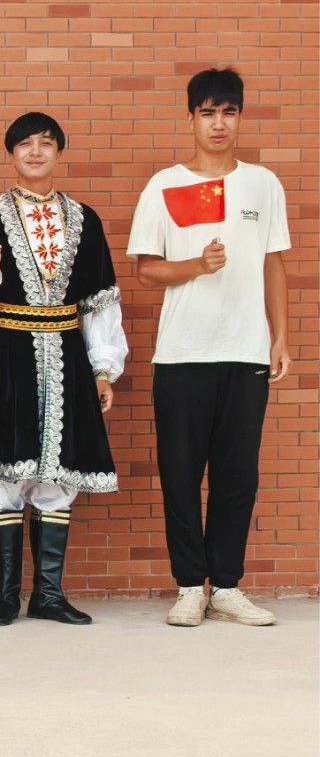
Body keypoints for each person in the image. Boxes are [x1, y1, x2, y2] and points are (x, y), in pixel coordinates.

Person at [0, 112, 128, 626]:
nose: (34, 151)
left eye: (45, 143)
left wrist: (103, 369)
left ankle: (48, 595)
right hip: (6, 353)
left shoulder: (85, 219)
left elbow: (98, 301)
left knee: (57, 475)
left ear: (58, 152)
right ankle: (6, 596)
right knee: (5, 472)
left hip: (67, 356)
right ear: (11, 154)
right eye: (24, 143)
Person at [128, 67, 291, 628]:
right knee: (179, 475)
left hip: (246, 351)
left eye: (228, 112)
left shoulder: (263, 184)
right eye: (207, 113)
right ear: (191, 118)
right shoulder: (164, 185)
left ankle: (225, 585)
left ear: (239, 117)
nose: (218, 123)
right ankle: (187, 587)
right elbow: (146, 270)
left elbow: (273, 264)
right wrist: (197, 265)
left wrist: (280, 337)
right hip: (182, 354)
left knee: (236, 476)